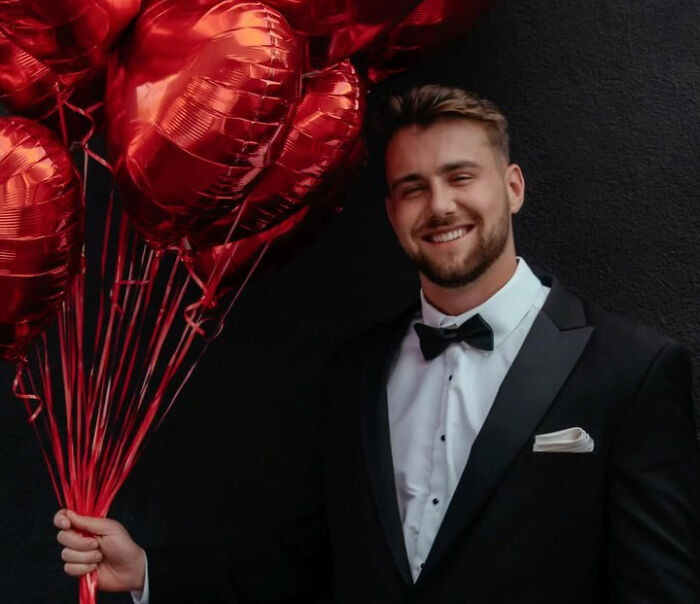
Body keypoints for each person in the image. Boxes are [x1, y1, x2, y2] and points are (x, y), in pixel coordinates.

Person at [54, 85, 700, 602]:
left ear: (513, 187)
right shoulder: (355, 373)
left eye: (461, 176)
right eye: (413, 188)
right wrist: (145, 571)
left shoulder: (632, 370)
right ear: (393, 213)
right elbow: (301, 568)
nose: (440, 205)